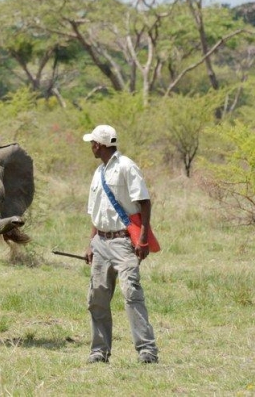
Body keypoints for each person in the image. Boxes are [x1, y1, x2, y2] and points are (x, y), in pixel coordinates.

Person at [82, 124, 159, 364]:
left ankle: (146, 349)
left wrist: (143, 238)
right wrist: (90, 244)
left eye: (93, 142)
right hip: (100, 242)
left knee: (131, 293)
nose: (91, 146)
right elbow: (96, 213)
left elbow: (144, 203)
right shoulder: (98, 172)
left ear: (100, 144)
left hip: (124, 242)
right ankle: (99, 351)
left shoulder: (127, 167)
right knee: (97, 298)